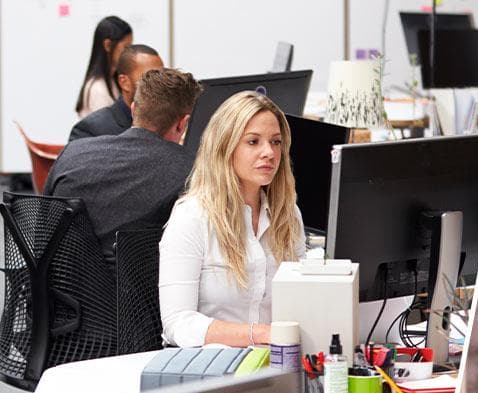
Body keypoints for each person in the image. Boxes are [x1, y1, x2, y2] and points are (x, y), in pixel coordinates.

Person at [159, 91, 307, 348]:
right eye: (253, 142)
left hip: (276, 362)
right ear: (225, 147)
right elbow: (177, 323)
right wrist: (261, 334)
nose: (269, 153)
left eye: (275, 142)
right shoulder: (192, 216)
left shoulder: (287, 213)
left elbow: (303, 299)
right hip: (212, 367)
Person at [44, 68, 202, 266]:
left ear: (134, 109)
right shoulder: (191, 171)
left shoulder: (72, 153)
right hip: (134, 295)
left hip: (56, 289)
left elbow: (43, 233)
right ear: (183, 124)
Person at [68, 44, 164, 142]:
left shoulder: (169, 124)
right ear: (124, 82)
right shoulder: (91, 131)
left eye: (162, 77)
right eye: (149, 77)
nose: (159, 84)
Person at [76, 16, 133, 118]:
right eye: (126, 47)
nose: (129, 53)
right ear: (108, 45)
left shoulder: (114, 80)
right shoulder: (98, 89)